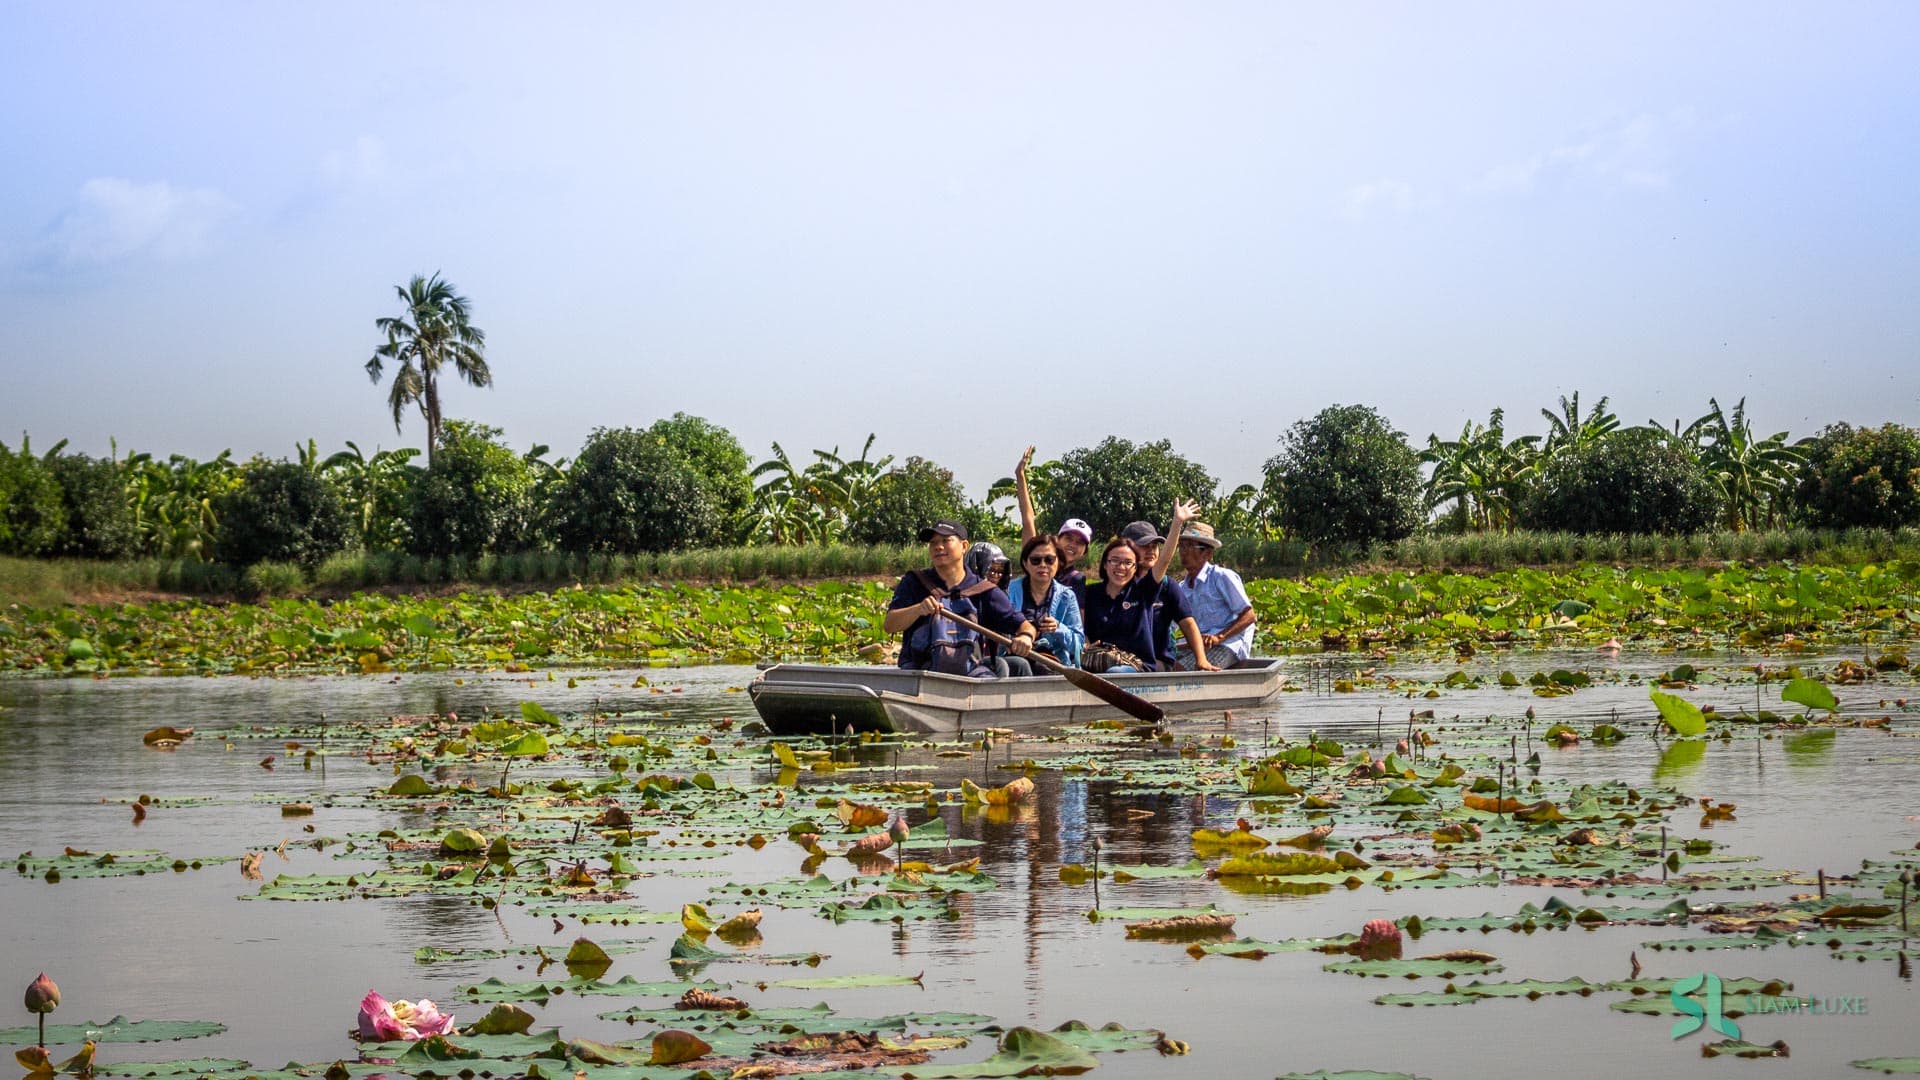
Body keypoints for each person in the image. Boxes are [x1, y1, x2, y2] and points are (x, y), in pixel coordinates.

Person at [883, 520, 1037, 678]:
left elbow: (1026, 626)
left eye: (946, 540)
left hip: (970, 672)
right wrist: (918, 610)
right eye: (933, 542)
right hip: (920, 671)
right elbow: (890, 625)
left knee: (999, 675)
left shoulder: (985, 590)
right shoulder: (914, 581)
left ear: (964, 546)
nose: (938, 547)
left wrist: (1026, 637)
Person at [1079, 537, 1215, 673]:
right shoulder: (1090, 593)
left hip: (1136, 666)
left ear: (1135, 567)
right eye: (1115, 561)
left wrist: (1177, 521)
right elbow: (1078, 626)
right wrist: (1085, 644)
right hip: (1098, 661)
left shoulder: (1144, 591)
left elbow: (1164, 561)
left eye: (1128, 563)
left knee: (1116, 673)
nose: (1121, 567)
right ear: (1105, 564)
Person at [1171, 520, 1257, 670]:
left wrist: (1219, 637)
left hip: (1227, 645)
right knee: (1161, 663)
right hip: (1197, 646)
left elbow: (1249, 616)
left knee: (1179, 669)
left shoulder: (1221, 577)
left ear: (1208, 553)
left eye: (1190, 546)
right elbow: (1170, 626)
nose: (1183, 552)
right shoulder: (1182, 588)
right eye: (1181, 546)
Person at [1013, 446, 1093, 603]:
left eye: (1079, 542)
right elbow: (1028, 519)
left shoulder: (1076, 581)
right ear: (1057, 539)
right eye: (1068, 538)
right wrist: (1020, 476)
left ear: (1084, 551)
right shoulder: (1036, 561)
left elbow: (1077, 621)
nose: (1072, 545)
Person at [1005, 533, 1085, 668]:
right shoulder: (1008, 591)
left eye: (1049, 560)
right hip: (1014, 661)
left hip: (1054, 664)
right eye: (1036, 560)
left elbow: (1078, 645)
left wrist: (1058, 628)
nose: (1043, 565)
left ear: (1058, 562)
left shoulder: (1067, 596)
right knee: (1020, 664)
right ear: (1025, 563)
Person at [965, 541, 1031, 677]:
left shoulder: (999, 598)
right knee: (1000, 664)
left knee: (1021, 664)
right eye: (992, 570)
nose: (996, 575)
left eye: (1000, 572)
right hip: (966, 658)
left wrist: (1023, 638)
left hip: (991, 657)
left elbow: (1018, 625)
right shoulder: (964, 595)